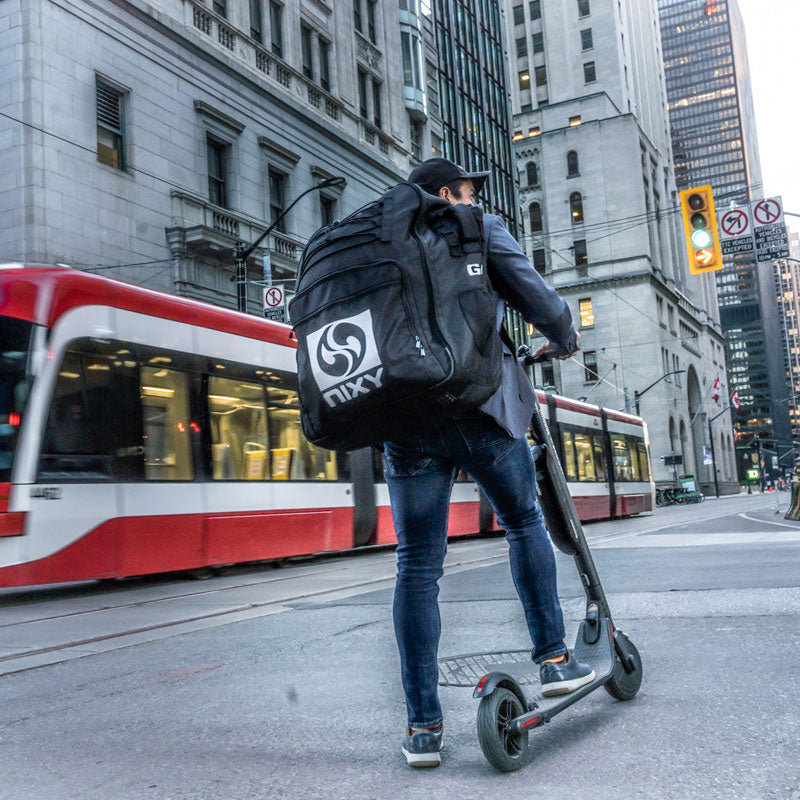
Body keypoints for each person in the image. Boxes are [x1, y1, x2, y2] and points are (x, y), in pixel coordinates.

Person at [386, 157, 594, 768]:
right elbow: (534, 293)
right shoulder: (475, 225)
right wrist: (561, 336)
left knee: (417, 565)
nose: (473, 194)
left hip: (408, 421)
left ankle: (423, 728)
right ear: (447, 193)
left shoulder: (384, 241)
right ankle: (554, 659)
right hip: (479, 405)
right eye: (466, 188)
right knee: (524, 520)